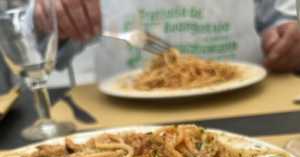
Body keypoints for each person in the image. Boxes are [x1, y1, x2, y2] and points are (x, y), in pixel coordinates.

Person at [0, 0, 299, 93]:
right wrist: (50, 17)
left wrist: (284, 39)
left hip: (247, 102)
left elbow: (278, 17)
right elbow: (32, 45)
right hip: (127, 121)